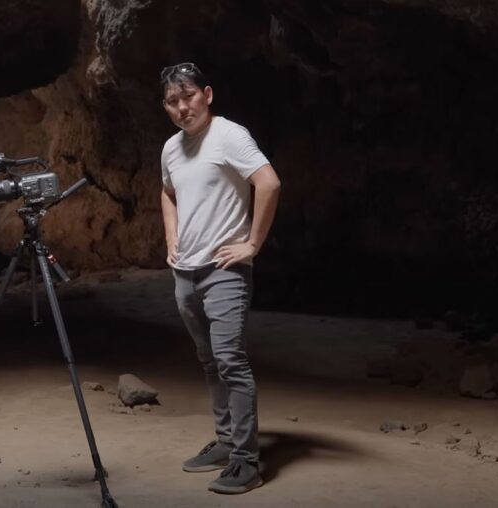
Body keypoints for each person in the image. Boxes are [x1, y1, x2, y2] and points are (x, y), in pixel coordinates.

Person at [159, 62, 281, 494]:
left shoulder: (230, 135)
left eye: (188, 96)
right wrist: (172, 237)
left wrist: (251, 245)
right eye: (173, 101)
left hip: (225, 271)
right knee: (209, 360)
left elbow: (268, 183)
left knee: (230, 361)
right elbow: (168, 191)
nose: (182, 107)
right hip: (185, 272)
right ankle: (227, 442)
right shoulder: (171, 149)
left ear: (206, 94)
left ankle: (247, 461)